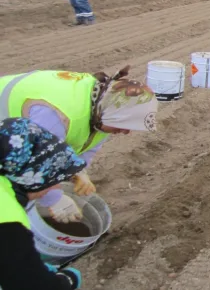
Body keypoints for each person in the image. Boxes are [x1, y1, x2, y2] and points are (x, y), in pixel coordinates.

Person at [0, 66, 159, 223]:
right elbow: (34, 164)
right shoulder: (56, 116)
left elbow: (87, 145)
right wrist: (54, 200)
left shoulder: (103, 109)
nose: (126, 132)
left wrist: (77, 170)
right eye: (126, 124)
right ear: (115, 115)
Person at [0, 117, 86, 289]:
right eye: (52, 177)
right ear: (31, 177)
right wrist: (65, 280)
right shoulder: (8, 221)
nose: (57, 185)